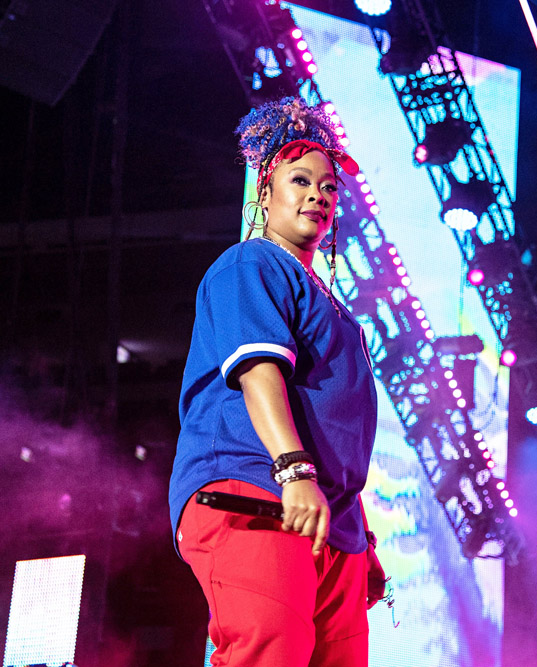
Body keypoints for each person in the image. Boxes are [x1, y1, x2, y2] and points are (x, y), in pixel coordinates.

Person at [168, 96, 385, 667]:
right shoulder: (251, 265)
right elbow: (258, 370)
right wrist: (292, 468)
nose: (320, 195)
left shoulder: (331, 304)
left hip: (328, 518)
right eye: (300, 180)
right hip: (256, 487)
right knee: (271, 654)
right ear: (264, 193)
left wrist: (361, 538)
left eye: (330, 187)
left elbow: (334, 427)